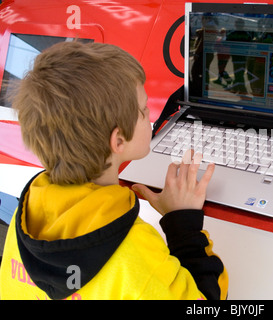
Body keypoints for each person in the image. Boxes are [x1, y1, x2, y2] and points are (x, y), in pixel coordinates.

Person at [0, 41, 227, 300]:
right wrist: (182, 224)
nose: (149, 115)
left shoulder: (24, 215)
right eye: (143, 111)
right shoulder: (138, 252)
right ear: (118, 141)